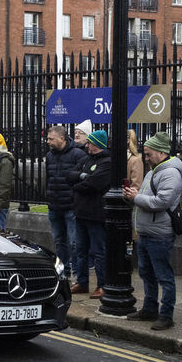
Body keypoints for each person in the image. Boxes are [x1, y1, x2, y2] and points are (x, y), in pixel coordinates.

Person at [125, 131, 182, 329]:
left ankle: (166, 315)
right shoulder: (153, 171)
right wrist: (131, 195)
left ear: (161, 153)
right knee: (146, 274)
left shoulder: (170, 173)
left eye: (149, 153)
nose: (146, 157)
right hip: (146, 232)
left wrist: (136, 198)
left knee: (164, 276)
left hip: (160, 234)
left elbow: (162, 201)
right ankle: (150, 309)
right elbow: (145, 197)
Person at [67, 129, 113, 298]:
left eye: (90, 142)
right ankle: (82, 282)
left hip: (96, 214)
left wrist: (78, 184)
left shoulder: (107, 162)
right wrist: (81, 177)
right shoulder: (86, 159)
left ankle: (102, 284)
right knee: (80, 250)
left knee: (98, 250)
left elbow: (95, 183)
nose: (87, 145)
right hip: (80, 212)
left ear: (98, 144)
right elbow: (69, 175)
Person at [44, 125, 86, 288]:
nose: (48, 141)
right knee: (59, 241)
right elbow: (48, 177)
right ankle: (63, 273)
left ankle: (77, 275)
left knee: (75, 243)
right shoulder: (49, 155)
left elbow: (82, 180)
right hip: (54, 205)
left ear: (61, 139)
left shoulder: (77, 155)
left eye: (51, 139)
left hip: (70, 206)